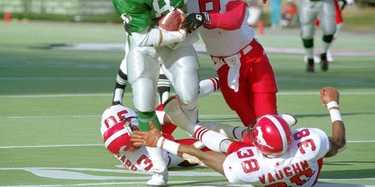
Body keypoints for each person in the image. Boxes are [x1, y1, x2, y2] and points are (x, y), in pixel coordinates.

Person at [112, 0, 269, 186]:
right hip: (146, 46)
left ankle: (193, 123)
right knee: (144, 100)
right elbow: (143, 38)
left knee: (188, 94)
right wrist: (179, 32)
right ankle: (159, 168)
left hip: (177, 43)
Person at [131, 86, 346, 186]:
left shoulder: (249, 165)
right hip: (299, 172)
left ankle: (187, 123)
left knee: (229, 147)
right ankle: (195, 124)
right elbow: (339, 142)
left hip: (265, 169)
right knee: (238, 144)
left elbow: (200, 155)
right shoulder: (310, 145)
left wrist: (159, 141)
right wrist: (333, 104)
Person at [183, 0, 279, 126]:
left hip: (252, 58)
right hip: (223, 64)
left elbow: (234, 20)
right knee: (249, 122)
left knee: (268, 119)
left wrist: (205, 18)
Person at [100, 103, 211, 173]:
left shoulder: (111, 115)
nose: (136, 128)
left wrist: (181, 120)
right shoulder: (145, 162)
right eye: (134, 133)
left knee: (177, 103)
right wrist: (205, 138)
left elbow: (146, 116)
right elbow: (185, 154)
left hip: (147, 139)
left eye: (132, 127)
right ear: (134, 146)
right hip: (164, 149)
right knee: (207, 153)